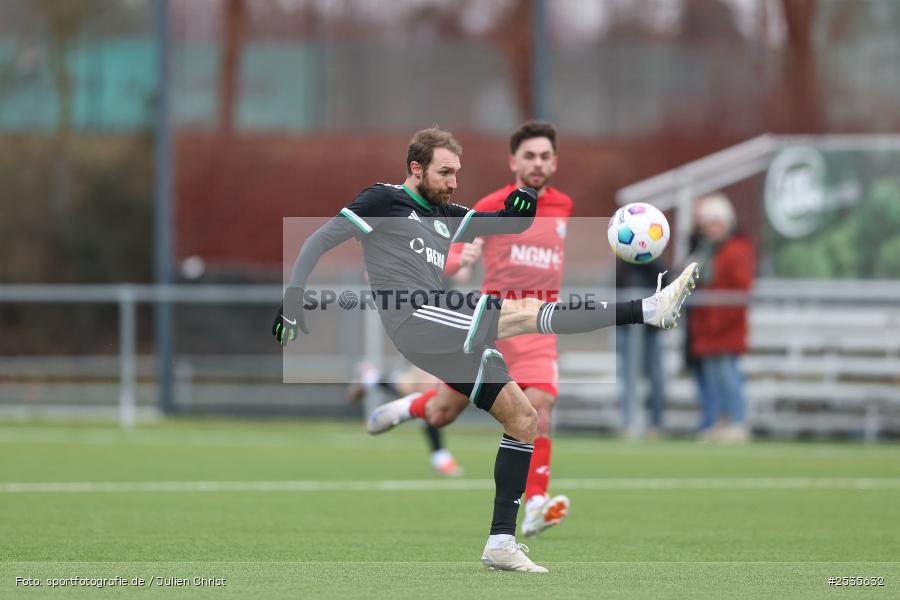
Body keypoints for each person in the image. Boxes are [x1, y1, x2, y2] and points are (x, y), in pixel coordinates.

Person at [273, 127, 699, 573]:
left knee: (523, 418)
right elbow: (316, 239)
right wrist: (293, 296)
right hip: (415, 317)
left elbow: (510, 223)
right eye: (444, 172)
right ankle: (646, 309)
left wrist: (524, 205)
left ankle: (500, 541)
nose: (454, 182)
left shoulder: (448, 214)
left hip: (441, 325)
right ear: (415, 169)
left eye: (457, 172)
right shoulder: (383, 200)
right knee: (525, 310)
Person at [374, 120, 574, 537]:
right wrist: (457, 264)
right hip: (489, 324)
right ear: (513, 161)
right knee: (442, 413)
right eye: (529, 156)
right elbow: (442, 250)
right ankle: (409, 406)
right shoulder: (492, 204)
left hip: (537, 325)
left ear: (554, 162)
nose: (537, 163)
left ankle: (535, 503)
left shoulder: (564, 206)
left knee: (538, 409)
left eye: (544, 156)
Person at [688, 194, 754, 442]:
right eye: (708, 225)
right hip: (707, 327)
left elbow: (738, 291)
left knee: (729, 377)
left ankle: (738, 420)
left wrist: (719, 320)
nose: (712, 229)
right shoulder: (706, 252)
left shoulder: (736, 251)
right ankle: (719, 421)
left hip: (726, 327)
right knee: (714, 380)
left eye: (716, 224)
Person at [615, 261, 668, 437]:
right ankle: (629, 421)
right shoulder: (622, 261)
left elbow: (665, 282)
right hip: (626, 326)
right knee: (628, 377)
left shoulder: (655, 262)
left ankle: (655, 423)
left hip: (650, 329)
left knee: (655, 375)